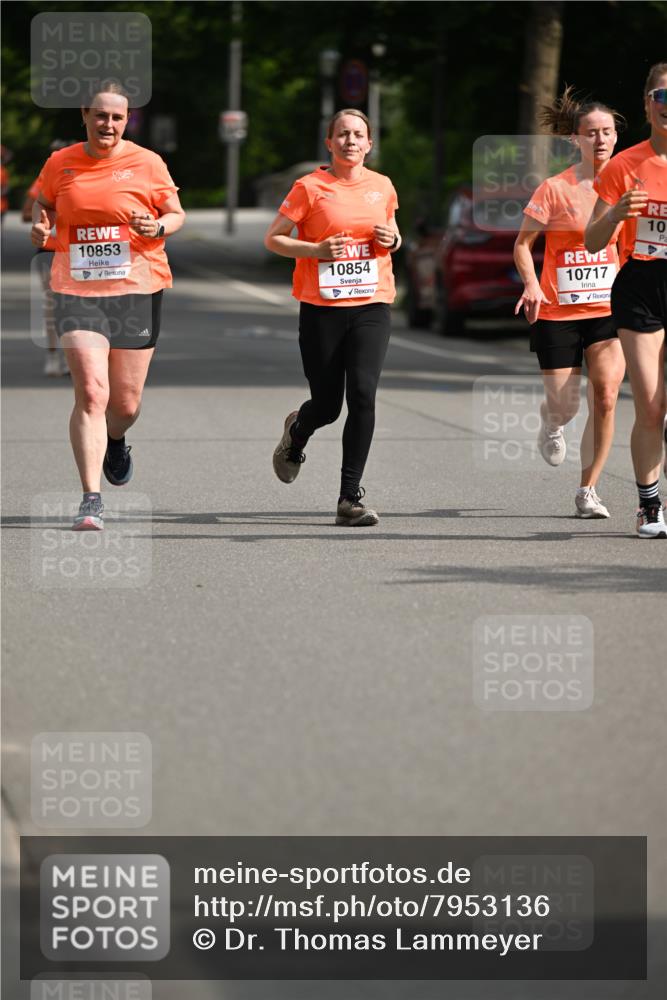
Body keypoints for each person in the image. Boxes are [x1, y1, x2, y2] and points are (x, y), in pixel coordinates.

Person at [31, 84, 185, 530]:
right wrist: (41, 229)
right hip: (76, 289)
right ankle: (90, 498)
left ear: (127, 120)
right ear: (84, 115)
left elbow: (176, 214)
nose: (109, 125)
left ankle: (116, 437)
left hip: (136, 287)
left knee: (126, 403)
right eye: (100, 116)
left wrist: (156, 225)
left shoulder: (147, 162)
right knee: (93, 393)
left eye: (117, 118)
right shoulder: (61, 163)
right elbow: (43, 206)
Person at [264, 109, 400, 526]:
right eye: (342, 134)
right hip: (322, 308)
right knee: (327, 406)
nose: (351, 141)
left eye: (359, 135)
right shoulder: (310, 188)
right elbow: (274, 239)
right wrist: (316, 251)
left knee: (363, 396)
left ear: (369, 144)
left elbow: (394, 232)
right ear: (329, 143)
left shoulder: (383, 186)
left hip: (371, 304)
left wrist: (393, 239)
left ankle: (348, 499)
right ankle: (297, 432)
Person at [514, 87, 626, 519]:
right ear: (575, 140)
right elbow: (523, 245)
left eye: (607, 132)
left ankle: (588, 489)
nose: (600, 140)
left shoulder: (628, 185)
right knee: (568, 403)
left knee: (606, 395)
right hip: (558, 311)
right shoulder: (555, 189)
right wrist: (532, 285)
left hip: (608, 310)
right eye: (591, 133)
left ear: (616, 136)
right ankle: (553, 420)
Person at [585, 62, 667, 538]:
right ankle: (649, 506)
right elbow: (593, 240)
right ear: (647, 104)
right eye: (661, 96)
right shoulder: (624, 165)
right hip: (641, 285)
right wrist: (615, 212)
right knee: (652, 406)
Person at [22, 140, 72, 376]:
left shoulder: (91, 179)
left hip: (79, 252)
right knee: (53, 304)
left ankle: (71, 357)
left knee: (77, 306)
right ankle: (53, 356)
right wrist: (42, 222)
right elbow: (26, 211)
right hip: (49, 250)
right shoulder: (44, 180)